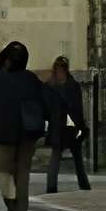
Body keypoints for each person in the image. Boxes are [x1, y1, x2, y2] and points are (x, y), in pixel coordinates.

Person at [0, 40, 47, 211]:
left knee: (1, 168)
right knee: (23, 173)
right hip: (28, 132)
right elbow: (45, 103)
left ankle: (11, 198)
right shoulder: (32, 80)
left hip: (3, 132)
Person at [44, 55, 91, 193]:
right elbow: (47, 108)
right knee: (56, 156)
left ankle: (83, 184)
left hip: (70, 126)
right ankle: (52, 186)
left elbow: (78, 109)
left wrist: (81, 127)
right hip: (59, 126)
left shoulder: (71, 86)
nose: (60, 72)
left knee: (76, 156)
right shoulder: (52, 86)